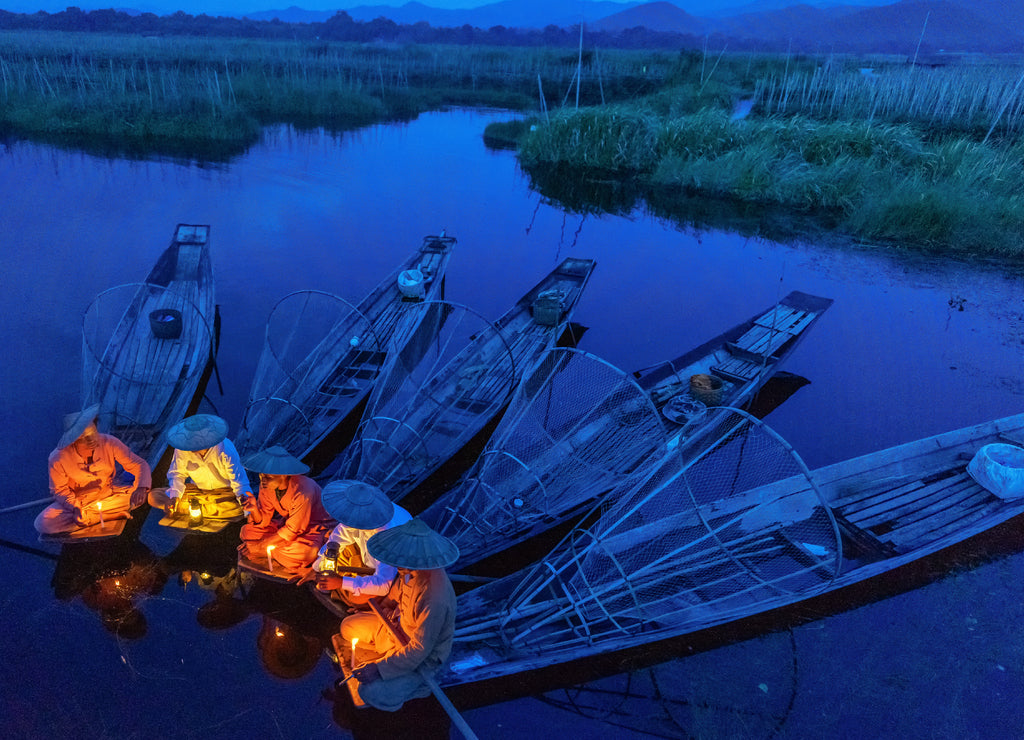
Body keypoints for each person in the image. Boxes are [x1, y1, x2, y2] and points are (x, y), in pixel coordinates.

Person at [340, 518, 459, 712]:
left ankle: (417, 685)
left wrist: (379, 669)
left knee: (369, 693)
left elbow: (419, 650)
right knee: (348, 626)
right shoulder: (411, 569)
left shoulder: (434, 597)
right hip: (397, 628)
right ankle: (390, 657)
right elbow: (395, 594)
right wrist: (377, 608)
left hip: (421, 657)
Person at [36, 404, 152, 535]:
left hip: (108, 495)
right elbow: (59, 490)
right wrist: (75, 508)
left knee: (143, 496)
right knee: (43, 523)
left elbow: (139, 464)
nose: (92, 440)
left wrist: (141, 488)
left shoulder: (109, 442)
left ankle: (91, 518)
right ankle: (104, 516)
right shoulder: (58, 458)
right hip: (80, 502)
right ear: (73, 441)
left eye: (93, 433)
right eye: (84, 438)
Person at [300, 480, 412, 609]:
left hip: (394, 573)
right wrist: (316, 567)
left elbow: (384, 584)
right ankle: (339, 585)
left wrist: (341, 582)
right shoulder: (356, 516)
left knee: (356, 599)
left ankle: (343, 590)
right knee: (332, 552)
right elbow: (336, 540)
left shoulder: (386, 537)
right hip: (366, 559)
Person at [238, 446, 335, 576]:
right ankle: (274, 551)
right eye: (261, 475)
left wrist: (259, 546)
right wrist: (254, 509)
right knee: (247, 532)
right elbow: (265, 519)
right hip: (287, 525)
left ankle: (267, 551)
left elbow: (294, 529)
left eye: (268, 477)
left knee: (306, 553)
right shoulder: (266, 485)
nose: (263, 480)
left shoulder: (303, 490)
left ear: (283, 475)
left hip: (314, 528)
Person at [148, 414, 251, 522]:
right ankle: (206, 509)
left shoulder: (225, 449)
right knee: (154, 496)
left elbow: (240, 484)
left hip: (225, 494)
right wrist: (174, 497)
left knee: (236, 508)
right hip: (197, 493)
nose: (190, 445)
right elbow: (176, 474)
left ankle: (196, 509)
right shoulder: (182, 449)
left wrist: (246, 507)